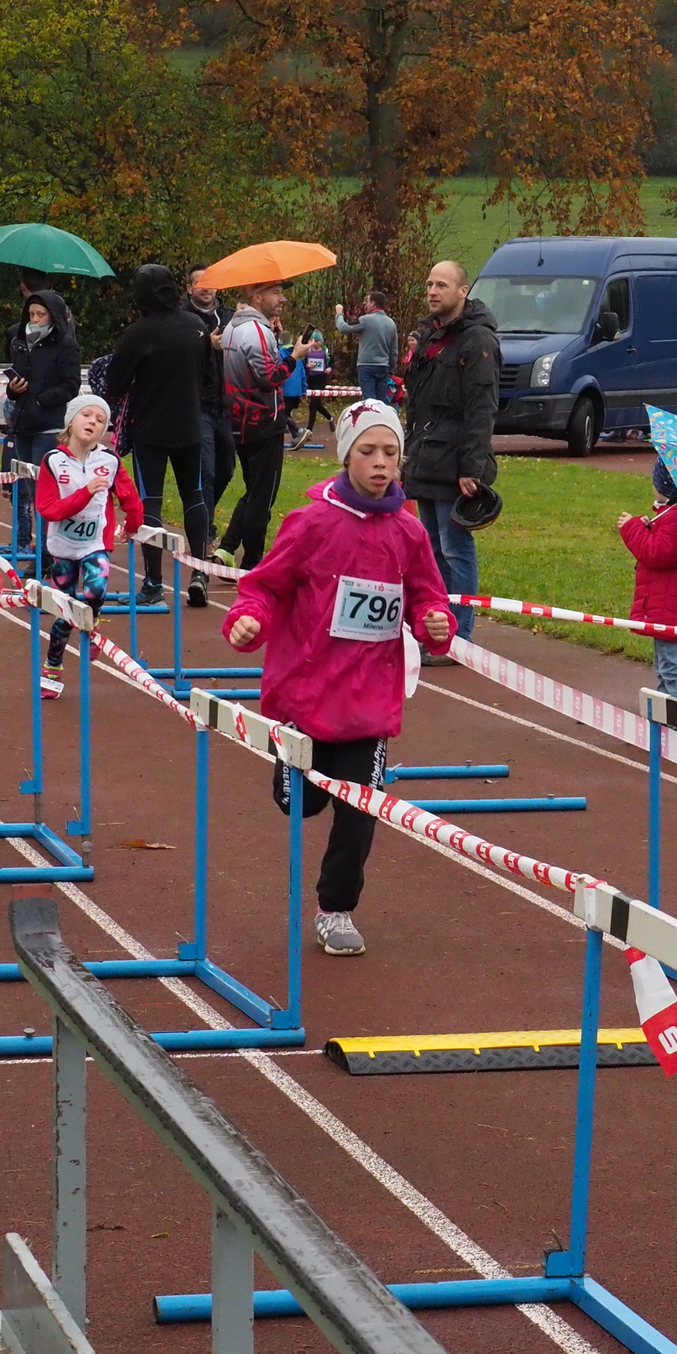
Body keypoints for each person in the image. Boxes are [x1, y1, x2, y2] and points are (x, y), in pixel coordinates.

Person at [222, 400, 453, 956]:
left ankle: (336, 908)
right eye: (368, 451)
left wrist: (433, 621)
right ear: (347, 456)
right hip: (305, 696)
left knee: (361, 808)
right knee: (299, 804)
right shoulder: (311, 523)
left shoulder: (409, 532)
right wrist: (247, 619)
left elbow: (427, 595)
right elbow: (264, 585)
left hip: (370, 701)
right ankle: (299, 778)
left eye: (391, 452)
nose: (381, 463)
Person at [102, 264, 213, 610]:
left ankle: (153, 583)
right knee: (193, 494)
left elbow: (115, 382)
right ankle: (200, 571)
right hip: (190, 425)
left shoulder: (138, 334)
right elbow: (208, 375)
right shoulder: (196, 326)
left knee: (151, 500)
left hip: (149, 429)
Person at [401, 258, 501, 641]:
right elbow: (419, 403)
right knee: (432, 548)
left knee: (454, 546)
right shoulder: (430, 335)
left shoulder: (478, 341)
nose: (432, 291)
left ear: (462, 292)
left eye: (441, 285)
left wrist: (471, 467)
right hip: (425, 456)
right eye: (429, 284)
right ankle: (437, 628)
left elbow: (482, 409)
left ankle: (459, 634)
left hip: (456, 461)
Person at [32, 393, 144, 700]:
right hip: (62, 546)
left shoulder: (109, 461)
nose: (92, 422)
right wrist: (85, 493)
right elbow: (48, 509)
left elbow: (130, 497)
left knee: (96, 588)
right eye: (86, 415)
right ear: (70, 421)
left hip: (95, 543)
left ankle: (92, 624)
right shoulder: (52, 461)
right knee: (65, 613)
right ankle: (53, 665)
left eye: (100, 420)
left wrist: (132, 525)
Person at [222, 282, 309, 570]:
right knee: (263, 497)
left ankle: (227, 546)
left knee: (254, 491)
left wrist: (275, 338)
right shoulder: (256, 331)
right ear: (257, 297)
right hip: (262, 422)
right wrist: (295, 356)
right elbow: (269, 378)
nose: (282, 299)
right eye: (276, 293)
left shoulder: (233, 326)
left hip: (240, 421)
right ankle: (252, 563)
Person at [619, 459, 677, 696]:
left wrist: (631, 528)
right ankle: (667, 709)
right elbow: (664, 543)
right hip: (666, 605)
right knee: (664, 666)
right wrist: (649, 528)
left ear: (666, 488)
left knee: (672, 668)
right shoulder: (674, 514)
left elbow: (657, 553)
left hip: (671, 607)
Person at [4, 290, 81, 554]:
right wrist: (13, 389)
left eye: (41, 314)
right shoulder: (20, 342)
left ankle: (49, 554)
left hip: (48, 427)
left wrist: (42, 400)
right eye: (31, 314)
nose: (35, 320)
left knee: (45, 494)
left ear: (53, 316)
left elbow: (71, 384)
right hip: (23, 424)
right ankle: (42, 551)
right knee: (30, 490)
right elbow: (16, 379)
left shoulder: (65, 345)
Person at [185, 264, 234, 530]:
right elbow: (178, 353)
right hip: (198, 405)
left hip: (225, 405)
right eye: (199, 284)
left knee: (227, 469)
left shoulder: (230, 316)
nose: (206, 289)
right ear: (189, 288)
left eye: (210, 283)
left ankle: (200, 513)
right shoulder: (182, 318)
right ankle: (205, 530)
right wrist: (207, 345)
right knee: (207, 471)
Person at [337, 291, 399, 406]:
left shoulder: (365, 320)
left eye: (367, 301)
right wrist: (391, 369)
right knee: (382, 402)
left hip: (367, 366)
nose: (365, 304)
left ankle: (371, 417)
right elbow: (393, 351)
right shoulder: (391, 323)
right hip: (383, 367)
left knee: (369, 402)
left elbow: (344, 328)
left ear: (373, 304)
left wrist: (339, 314)